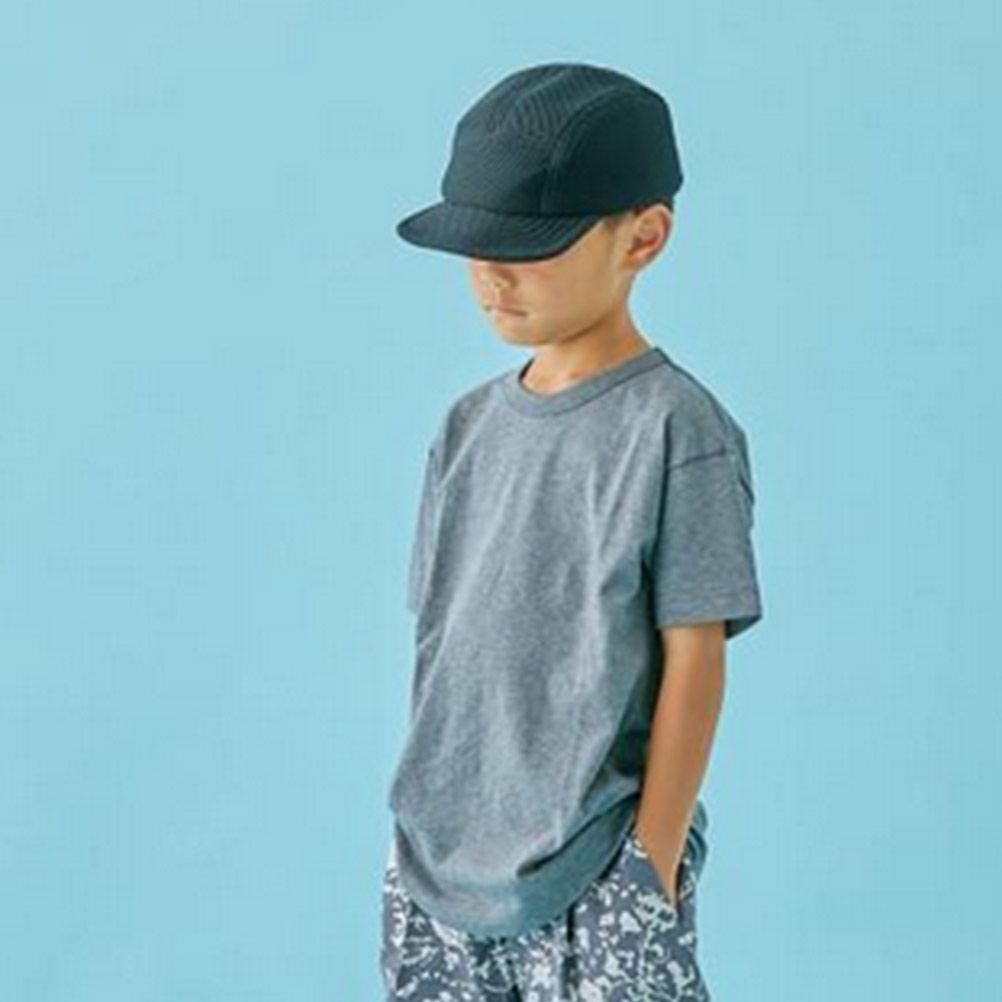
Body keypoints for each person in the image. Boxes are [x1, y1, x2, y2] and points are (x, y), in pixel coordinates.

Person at [381, 61, 764, 1001]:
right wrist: (419, 831)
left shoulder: (676, 430)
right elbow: (443, 645)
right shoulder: (465, 429)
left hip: (598, 866)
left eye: (530, 247)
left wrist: (649, 863)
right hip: (436, 866)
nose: (492, 277)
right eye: (476, 247)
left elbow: (696, 657)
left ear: (644, 236)